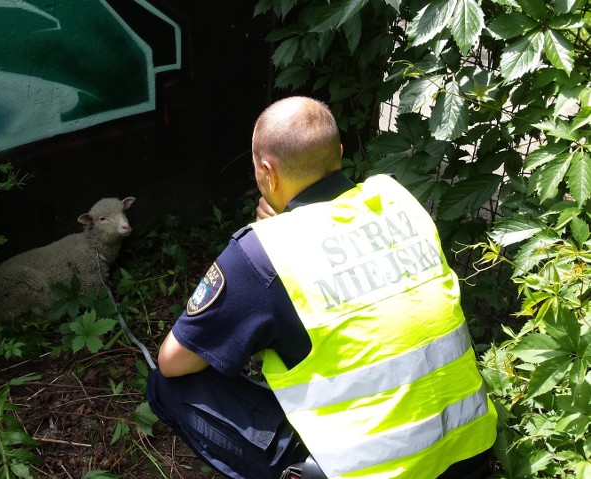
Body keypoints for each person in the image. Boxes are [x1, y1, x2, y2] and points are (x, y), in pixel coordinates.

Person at [146, 96, 497, 479]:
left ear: (267, 170)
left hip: (374, 472)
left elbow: (173, 359)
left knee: (166, 384)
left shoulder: (262, 251)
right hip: (472, 453)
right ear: (340, 153)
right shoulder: (398, 201)